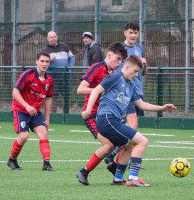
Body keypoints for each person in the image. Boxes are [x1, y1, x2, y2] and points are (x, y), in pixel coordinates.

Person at [77, 55, 176, 186]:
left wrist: (162, 108)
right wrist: (88, 110)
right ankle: (133, 178)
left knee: (130, 145)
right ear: (126, 67)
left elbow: (141, 104)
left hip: (113, 120)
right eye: (135, 71)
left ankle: (117, 178)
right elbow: (96, 91)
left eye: (138, 72)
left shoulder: (131, 85)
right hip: (107, 119)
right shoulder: (115, 77)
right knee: (142, 141)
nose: (136, 75)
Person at [75, 43, 127, 184]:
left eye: (121, 61)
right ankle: (84, 172)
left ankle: (113, 165)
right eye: (117, 59)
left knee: (127, 137)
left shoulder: (115, 74)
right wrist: (99, 89)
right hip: (92, 115)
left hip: (107, 116)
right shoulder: (97, 68)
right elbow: (80, 89)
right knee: (109, 145)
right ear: (108, 55)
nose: (119, 63)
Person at [104, 22, 147, 169]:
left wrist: (144, 65)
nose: (133, 35)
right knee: (132, 125)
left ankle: (116, 156)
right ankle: (121, 158)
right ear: (125, 33)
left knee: (133, 126)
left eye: (136, 33)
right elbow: (117, 69)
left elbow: (143, 71)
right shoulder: (121, 50)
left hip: (137, 92)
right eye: (131, 32)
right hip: (125, 92)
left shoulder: (139, 49)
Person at [7, 52, 55, 171]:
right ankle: (12, 160)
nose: (44, 64)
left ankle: (46, 164)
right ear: (36, 61)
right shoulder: (27, 75)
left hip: (35, 112)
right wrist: (27, 106)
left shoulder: (49, 80)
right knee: (24, 136)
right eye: (42, 61)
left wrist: (47, 119)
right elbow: (15, 92)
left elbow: (48, 99)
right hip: (21, 110)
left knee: (43, 133)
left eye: (47, 62)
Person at [42, 31, 75, 113]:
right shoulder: (45, 50)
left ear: (56, 37)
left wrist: (70, 69)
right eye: (51, 37)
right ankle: (53, 115)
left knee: (67, 95)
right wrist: (48, 59)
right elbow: (42, 64)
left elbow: (71, 57)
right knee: (53, 96)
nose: (53, 39)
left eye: (54, 37)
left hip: (65, 76)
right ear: (47, 38)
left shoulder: (64, 46)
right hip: (52, 77)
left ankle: (66, 115)